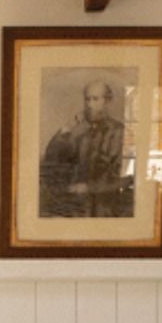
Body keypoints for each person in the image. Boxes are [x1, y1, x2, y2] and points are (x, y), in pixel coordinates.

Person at [40, 79, 131, 218]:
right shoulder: (79, 131)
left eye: (95, 99)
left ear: (107, 101)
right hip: (77, 206)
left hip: (105, 207)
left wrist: (89, 188)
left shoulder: (120, 132)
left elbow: (126, 177)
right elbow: (52, 159)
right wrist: (66, 129)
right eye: (87, 99)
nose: (89, 105)